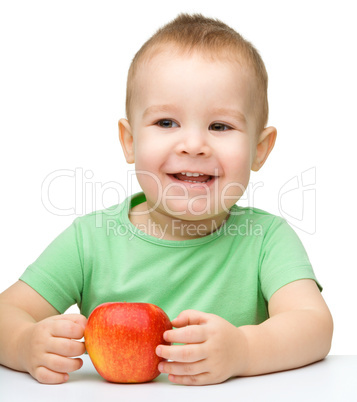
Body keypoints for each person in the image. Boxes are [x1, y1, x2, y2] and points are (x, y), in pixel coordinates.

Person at [0, 13, 333, 386]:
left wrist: (244, 349)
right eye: (166, 123)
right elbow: (6, 311)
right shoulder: (89, 240)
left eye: (220, 126)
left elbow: (314, 325)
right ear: (130, 141)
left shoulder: (266, 239)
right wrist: (23, 342)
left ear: (259, 149)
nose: (192, 145)